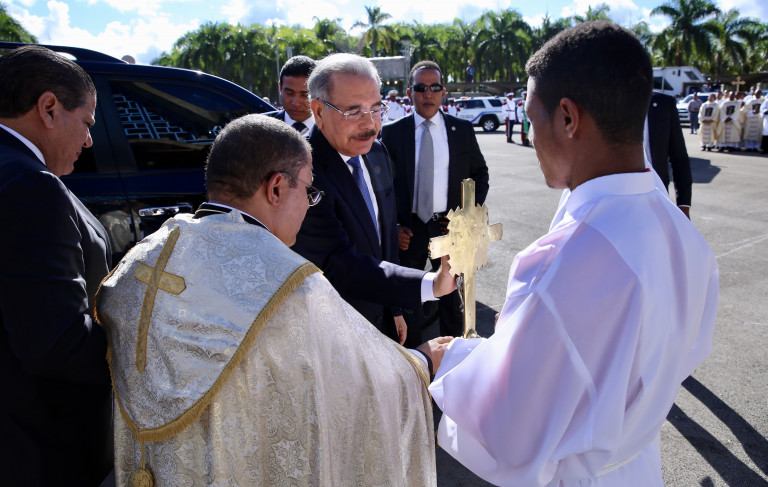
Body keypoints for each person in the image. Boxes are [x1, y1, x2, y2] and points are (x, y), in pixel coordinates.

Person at [429, 21, 718, 486]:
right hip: (637, 465)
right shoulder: (683, 234)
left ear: (567, 117)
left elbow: (512, 431)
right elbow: (678, 355)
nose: (530, 136)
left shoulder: (563, 263)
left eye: (531, 118)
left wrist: (454, 362)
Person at [99, 114, 449, 486]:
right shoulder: (287, 282)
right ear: (277, 188)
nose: (310, 205)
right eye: (309, 191)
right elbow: (353, 380)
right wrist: (422, 362)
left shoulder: (145, 258)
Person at [0, 45, 113, 486]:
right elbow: (56, 342)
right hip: (37, 445)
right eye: (87, 122)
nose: (89, 141)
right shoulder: (30, 185)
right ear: (49, 108)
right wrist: (146, 353)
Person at [292, 53, 457, 345]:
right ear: (318, 110)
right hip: (339, 331)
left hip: (384, 315)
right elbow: (339, 264)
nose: (370, 124)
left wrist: (395, 307)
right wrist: (430, 284)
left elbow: (386, 236)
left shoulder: (376, 152)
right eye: (354, 111)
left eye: (376, 108)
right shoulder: (302, 171)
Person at [381, 60, 489, 344]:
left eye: (434, 87)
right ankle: (416, 357)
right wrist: (393, 226)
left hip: (448, 227)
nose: (427, 94)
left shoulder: (461, 130)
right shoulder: (392, 133)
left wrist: (464, 216)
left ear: (443, 92)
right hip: (409, 230)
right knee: (410, 297)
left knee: (452, 298)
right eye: (420, 88)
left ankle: (454, 354)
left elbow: (480, 174)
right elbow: (382, 187)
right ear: (409, 93)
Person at [645, 91, 693, 218]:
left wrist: (683, 206)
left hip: (658, 196)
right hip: (618, 202)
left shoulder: (664, 104)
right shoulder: (608, 101)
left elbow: (679, 158)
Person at [264, 55, 316, 135]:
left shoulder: (332, 132)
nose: (296, 103)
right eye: (289, 93)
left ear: (319, 92)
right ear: (280, 88)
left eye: (304, 95)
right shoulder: (261, 129)